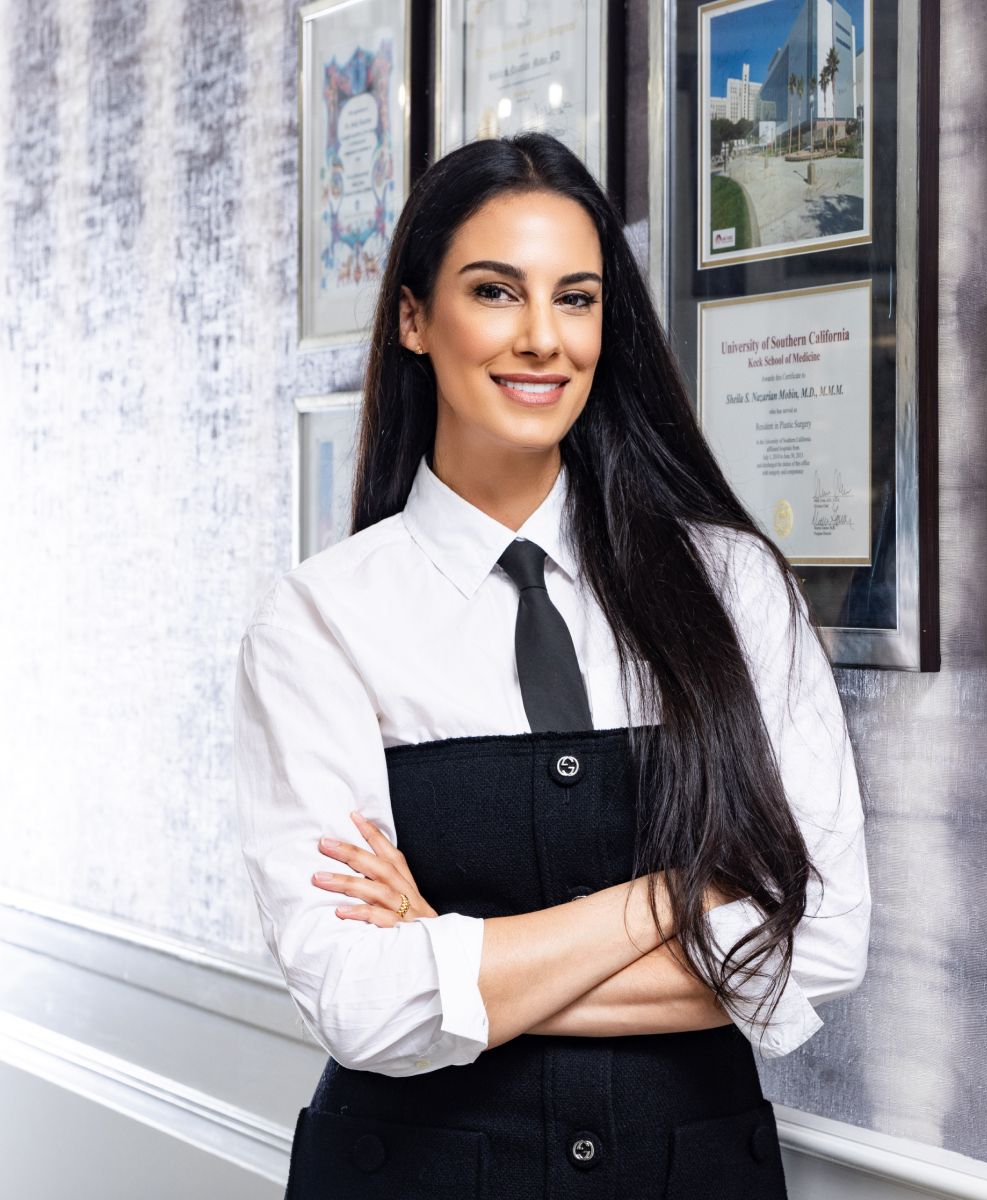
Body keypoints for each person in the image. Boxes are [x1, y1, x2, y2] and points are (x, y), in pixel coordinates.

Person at [230, 132, 870, 1199]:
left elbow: (824, 942)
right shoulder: (319, 622)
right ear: (412, 319)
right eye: (495, 291)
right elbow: (360, 1002)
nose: (542, 339)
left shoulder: (736, 587)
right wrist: (677, 895)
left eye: (575, 299)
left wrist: (449, 949)